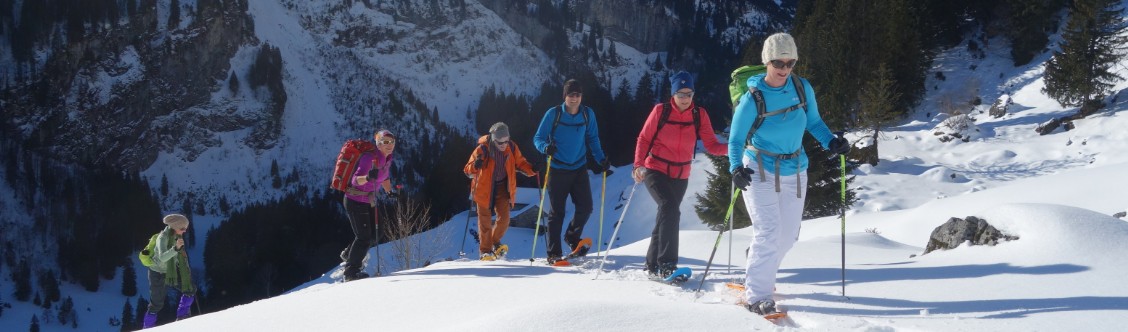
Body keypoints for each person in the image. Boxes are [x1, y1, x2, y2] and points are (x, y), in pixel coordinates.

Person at [727, 33, 850, 316]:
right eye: (777, 62)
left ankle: (757, 261)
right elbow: (734, 141)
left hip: (796, 169)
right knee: (769, 232)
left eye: (789, 62)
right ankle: (757, 296)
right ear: (766, 62)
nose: (783, 68)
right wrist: (735, 167)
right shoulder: (753, 98)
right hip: (758, 168)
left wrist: (831, 141)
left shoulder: (802, 87)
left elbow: (814, 122)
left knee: (788, 237)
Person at [633, 71, 728, 279]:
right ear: (673, 93)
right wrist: (638, 165)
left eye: (689, 94)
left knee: (666, 214)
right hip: (655, 170)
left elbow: (711, 145)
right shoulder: (661, 111)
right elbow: (643, 138)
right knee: (670, 209)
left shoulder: (699, 114)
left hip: (681, 174)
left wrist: (733, 149)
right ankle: (667, 264)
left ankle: (651, 265)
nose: (685, 99)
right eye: (681, 94)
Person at [533, 79, 610, 265]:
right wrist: (545, 148)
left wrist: (601, 158)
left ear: (581, 96)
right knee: (556, 213)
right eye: (570, 95)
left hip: (579, 168)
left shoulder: (587, 114)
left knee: (586, 207)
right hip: (557, 169)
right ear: (565, 96)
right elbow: (538, 138)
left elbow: (593, 138)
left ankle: (571, 237)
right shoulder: (554, 114)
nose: (574, 98)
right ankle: (554, 254)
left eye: (577, 95)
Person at [464, 122, 538, 261]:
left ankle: (493, 242)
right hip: (483, 189)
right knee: (485, 222)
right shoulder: (482, 150)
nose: (504, 144)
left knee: (504, 219)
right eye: (500, 142)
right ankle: (485, 252)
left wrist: (532, 169)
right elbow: (467, 170)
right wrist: (475, 165)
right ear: (493, 139)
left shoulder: (512, 147)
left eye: (506, 141)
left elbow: (521, 163)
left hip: (503, 187)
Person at [341, 129, 398, 281]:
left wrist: (389, 192)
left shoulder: (387, 158)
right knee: (364, 237)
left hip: (369, 201)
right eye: (385, 142)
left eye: (392, 142)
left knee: (377, 234)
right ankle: (351, 272)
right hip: (355, 201)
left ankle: (349, 254)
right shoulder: (369, 158)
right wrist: (367, 177)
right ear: (378, 144)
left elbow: (384, 177)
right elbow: (355, 181)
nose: (389, 145)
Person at [142, 214, 197, 329]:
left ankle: (182, 315)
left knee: (190, 289)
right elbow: (162, 257)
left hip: (170, 271)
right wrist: (175, 248)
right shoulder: (162, 238)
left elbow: (182, 257)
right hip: (156, 273)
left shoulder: (178, 236)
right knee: (156, 304)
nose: (185, 231)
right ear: (175, 227)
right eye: (182, 228)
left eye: (186, 228)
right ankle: (148, 327)